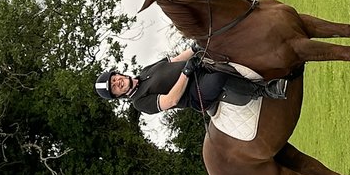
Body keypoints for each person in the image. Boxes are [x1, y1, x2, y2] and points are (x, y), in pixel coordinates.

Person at [94, 46, 288, 116]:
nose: (117, 82)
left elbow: (175, 60)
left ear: (118, 74)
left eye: (114, 78)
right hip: (195, 94)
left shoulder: (145, 71)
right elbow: (171, 100)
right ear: (117, 95)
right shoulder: (139, 102)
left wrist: (195, 47)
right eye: (114, 87)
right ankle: (265, 91)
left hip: (196, 69)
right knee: (218, 77)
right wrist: (186, 73)